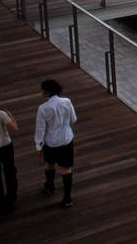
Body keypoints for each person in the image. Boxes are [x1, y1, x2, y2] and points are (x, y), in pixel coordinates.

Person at [35, 79, 77, 207]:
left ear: (46, 92)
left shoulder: (43, 108)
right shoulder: (67, 101)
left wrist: (38, 145)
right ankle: (67, 198)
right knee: (66, 169)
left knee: (50, 164)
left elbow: (40, 129)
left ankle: (50, 186)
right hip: (66, 139)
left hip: (51, 142)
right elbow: (73, 119)